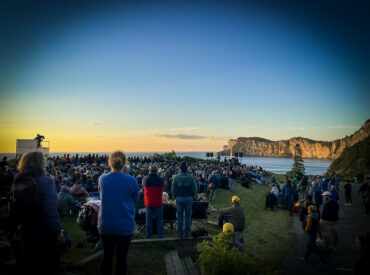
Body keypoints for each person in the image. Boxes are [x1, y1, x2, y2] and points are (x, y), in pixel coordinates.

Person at [10, 151, 63, 275]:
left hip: (23, 229)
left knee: (27, 265)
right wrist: (58, 231)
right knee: (44, 265)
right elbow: (51, 211)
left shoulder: (18, 178)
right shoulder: (47, 180)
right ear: (41, 162)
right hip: (42, 230)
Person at [98, 151, 140, 275]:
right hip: (124, 224)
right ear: (124, 162)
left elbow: (102, 195)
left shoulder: (102, 179)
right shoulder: (131, 180)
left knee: (107, 257)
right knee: (121, 259)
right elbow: (136, 197)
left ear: (109, 162)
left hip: (106, 223)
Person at [171, 161, 197, 238]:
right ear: (187, 168)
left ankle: (180, 234)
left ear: (180, 168)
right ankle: (187, 233)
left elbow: (173, 188)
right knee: (188, 217)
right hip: (189, 198)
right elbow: (194, 189)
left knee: (180, 216)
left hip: (179, 198)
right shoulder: (191, 177)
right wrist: (193, 196)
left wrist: (175, 196)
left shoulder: (176, 177)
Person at [143, 164, 165, 239]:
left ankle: (149, 236)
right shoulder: (161, 179)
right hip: (158, 202)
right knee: (160, 220)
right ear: (156, 171)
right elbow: (163, 189)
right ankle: (160, 235)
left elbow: (143, 188)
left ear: (149, 170)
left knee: (149, 221)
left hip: (149, 202)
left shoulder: (145, 179)